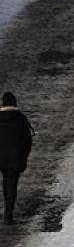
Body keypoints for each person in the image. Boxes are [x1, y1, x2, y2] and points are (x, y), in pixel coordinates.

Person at [0, 91, 34, 225]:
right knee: (11, 184)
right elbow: (28, 141)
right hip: (16, 158)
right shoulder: (21, 119)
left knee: (5, 181)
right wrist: (24, 156)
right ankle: (8, 213)